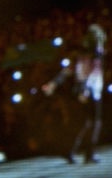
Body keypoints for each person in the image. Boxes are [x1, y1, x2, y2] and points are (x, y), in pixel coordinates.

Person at [41, 23, 106, 162]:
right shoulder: (96, 52)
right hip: (91, 90)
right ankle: (88, 154)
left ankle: (71, 151)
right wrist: (85, 89)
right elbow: (92, 72)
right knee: (94, 122)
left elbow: (68, 71)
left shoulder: (79, 54)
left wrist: (53, 83)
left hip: (83, 89)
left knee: (84, 122)